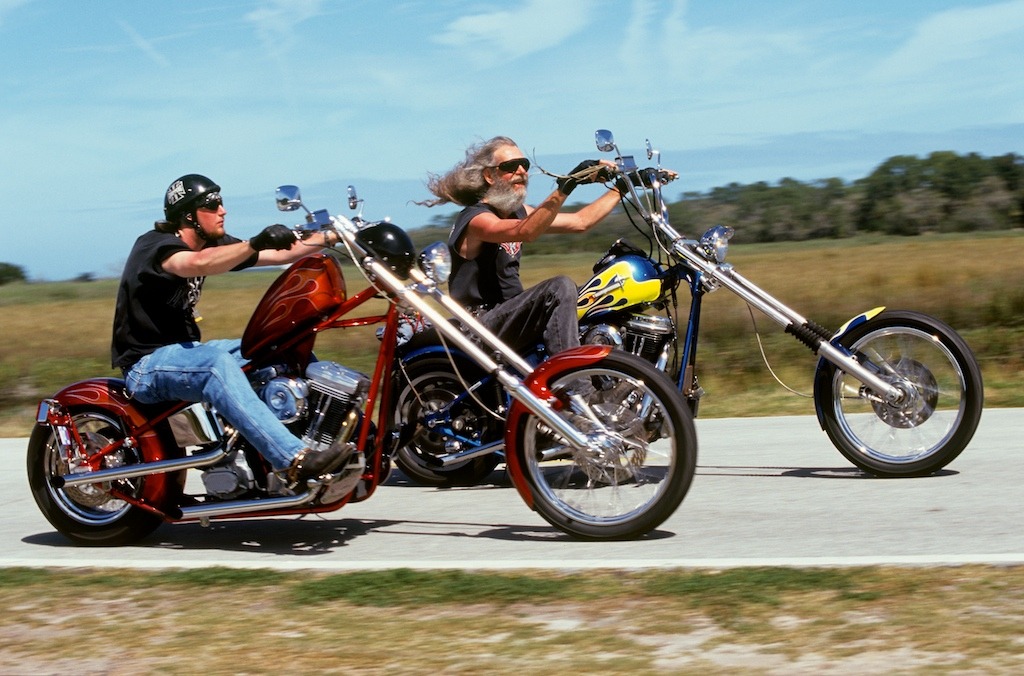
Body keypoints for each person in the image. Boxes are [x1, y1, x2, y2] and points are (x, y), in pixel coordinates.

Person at [111, 173, 347, 487]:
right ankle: (292, 460)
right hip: (146, 365)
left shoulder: (213, 244)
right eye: (213, 204)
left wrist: (335, 236)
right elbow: (196, 263)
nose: (223, 210)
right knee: (214, 365)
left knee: (279, 344)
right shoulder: (156, 247)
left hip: (185, 354)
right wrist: (255, 242)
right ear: (189, 215)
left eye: (221, 202)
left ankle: (327, 434)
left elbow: (280, 253)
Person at [420, 136, 623, 357]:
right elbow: (525, 231)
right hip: (478, 325)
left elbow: (580, 222)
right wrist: (567, 185)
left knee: (595, 296)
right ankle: (574, 385)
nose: (521, 171)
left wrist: (621, 189)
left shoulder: (519, 211)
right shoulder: (476, 219)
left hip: (510, 318)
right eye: (509, 167)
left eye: (524, 165)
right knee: (559, 287)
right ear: (489, 176)